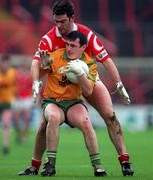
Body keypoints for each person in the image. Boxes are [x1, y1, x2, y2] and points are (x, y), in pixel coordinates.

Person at [18, 0, 134, 176]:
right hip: (61, 84)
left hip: (87, 77)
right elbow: (37, 63)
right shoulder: (49, 38)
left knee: (110, 116)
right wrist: (35, 82)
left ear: (72, 18)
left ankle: (125, 161)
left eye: (62, 21)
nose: (59, 25)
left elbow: (106, 60)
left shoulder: (86, 34)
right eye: (56, 21)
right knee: (46, 123)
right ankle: (35, 166)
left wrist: (118, 84)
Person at [19, 30, 107, 176]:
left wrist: (80, 73)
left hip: (73, 102)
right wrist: (45, 67)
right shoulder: (55, 55)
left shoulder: (89, 63)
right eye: (67, 44)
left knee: (86, 122)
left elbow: (88, 91)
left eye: (73, 45)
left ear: (83, 47)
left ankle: (97, 167)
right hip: (52, 101)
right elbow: (39, 73)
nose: (69, 48)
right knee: (52, 118)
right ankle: (50, 165)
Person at [0, 54, 17, 154]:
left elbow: (13, 84)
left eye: (8, 63)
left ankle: (5, 146)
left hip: (7, 101)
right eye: (4, 63)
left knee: (6, 124)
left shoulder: (12, 72)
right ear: (0, 63)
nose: (6, 65)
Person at [13, 61, 33, 143]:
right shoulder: (16, 75)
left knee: (26, 118)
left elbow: (33, 86)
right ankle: (19, 134)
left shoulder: (29, 76)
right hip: (18, 99)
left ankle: (25, 136)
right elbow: (13, 85)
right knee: (16, 119)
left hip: (26, 98)